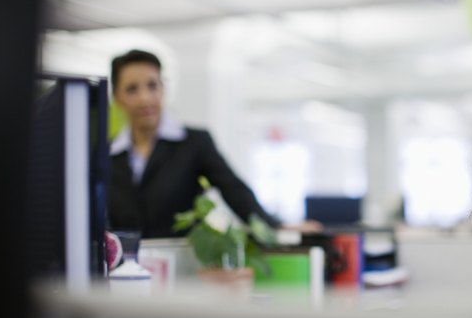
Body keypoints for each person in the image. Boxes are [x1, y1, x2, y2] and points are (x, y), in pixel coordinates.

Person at [108, 49, 319, 238]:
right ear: (117, 97)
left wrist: (274, 226)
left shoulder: (193, 144)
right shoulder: (105, 154)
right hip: (121, 271)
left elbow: (233, 188)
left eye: (152, 85)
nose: (145, 98)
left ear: (163, 88)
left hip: (181, 268)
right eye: (132, 89)